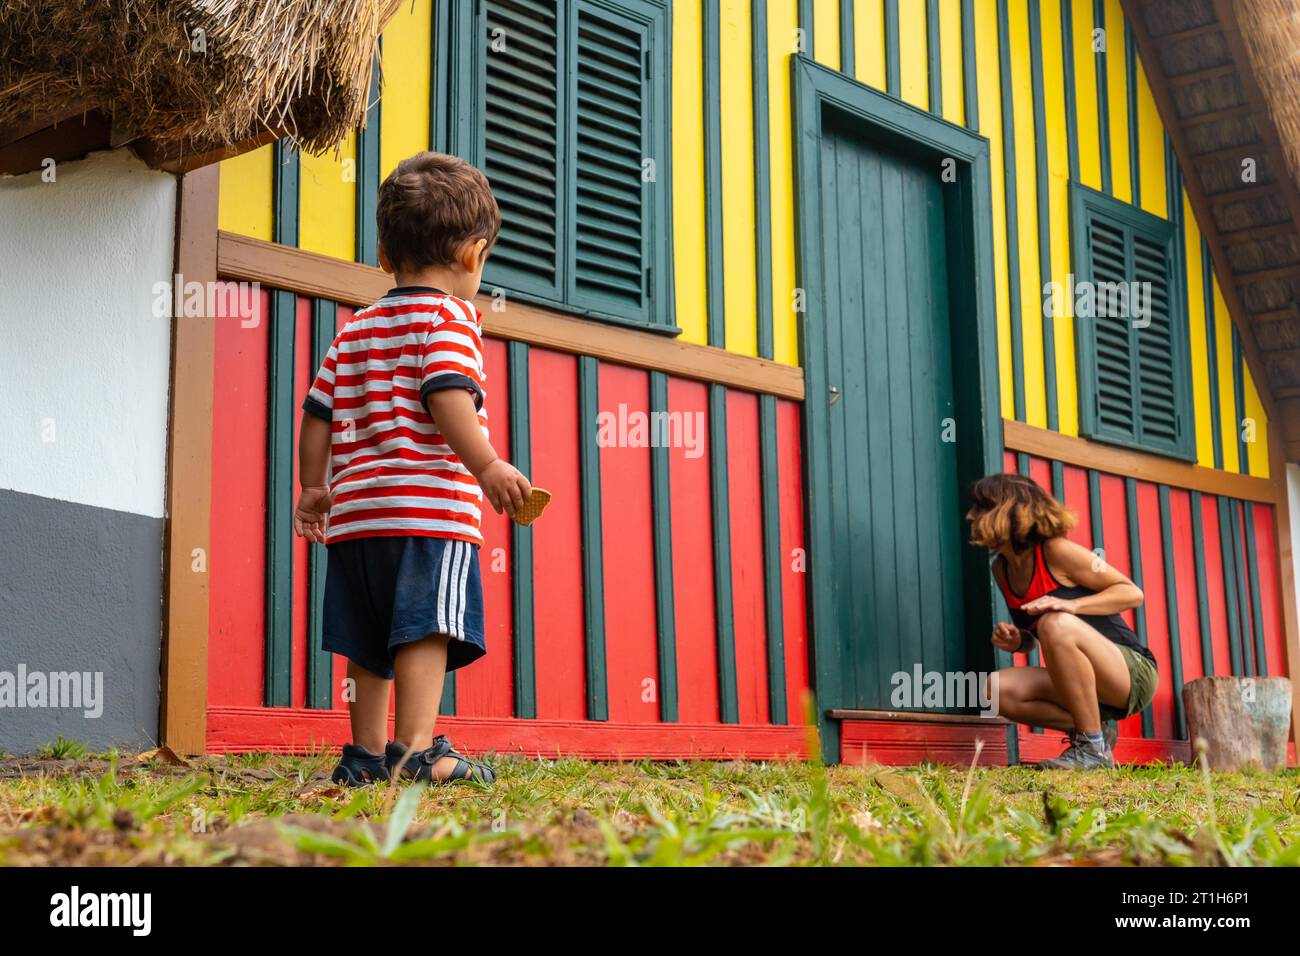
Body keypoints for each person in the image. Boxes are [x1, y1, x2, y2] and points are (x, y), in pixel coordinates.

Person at [293, 151, 533, 786]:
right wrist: (486, 464)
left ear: (383, 253)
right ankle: (416, 749)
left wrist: (314, 486)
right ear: (473, 256)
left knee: (367, 640)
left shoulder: (355, 328)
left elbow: (317, 411)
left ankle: (367, 753)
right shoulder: (450, 318)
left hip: (358, 519)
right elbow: (446, 392)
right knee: (426, 628)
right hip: (428, 512)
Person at [967, 473, 1157, 769]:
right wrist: (1018, 641)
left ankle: (1091, 752)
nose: (970, 516)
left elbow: (1132, 593)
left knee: (1055, 622)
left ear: (1005, 509)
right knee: (992, 691)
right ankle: (1094, 735)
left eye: (979, 507)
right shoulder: (1001, 570)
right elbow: (1035, 634)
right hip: (1080, 682)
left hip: (1130, 674)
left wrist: (1071, 605)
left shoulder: (1055, 551)